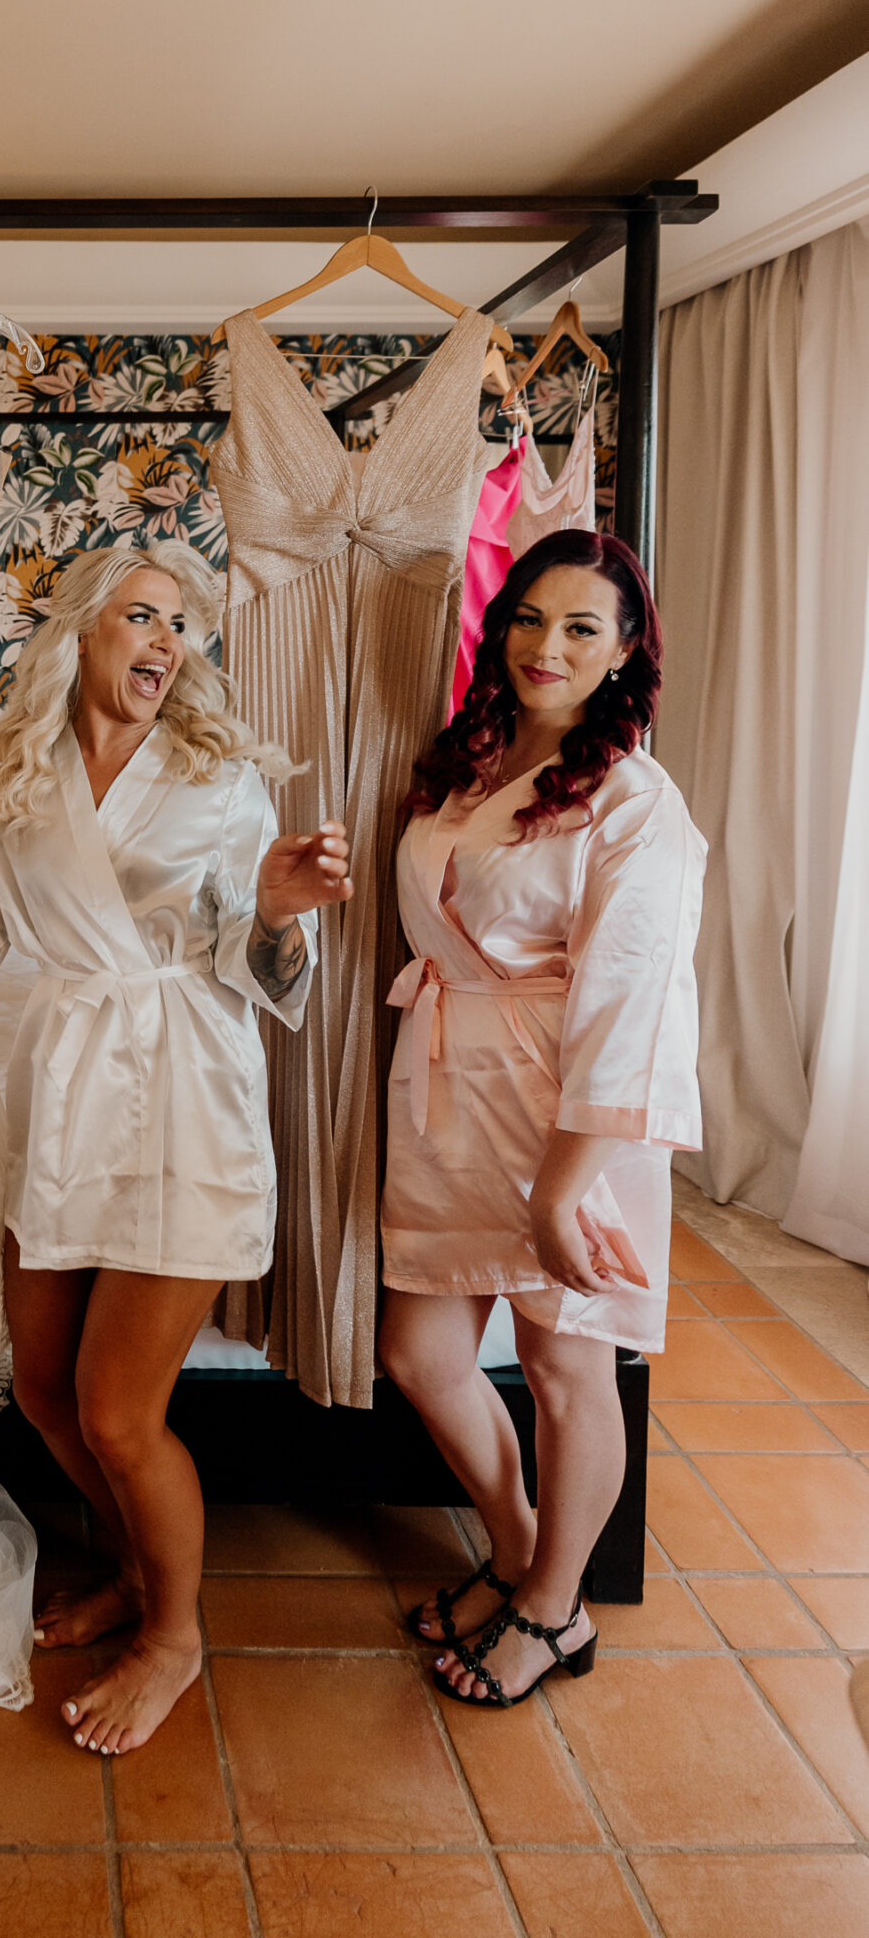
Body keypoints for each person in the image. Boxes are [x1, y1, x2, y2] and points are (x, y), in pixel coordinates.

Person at [0, 542, 351, 1756]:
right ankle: (130, 1565)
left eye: (182, 622)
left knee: (120, 1412)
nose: (169, 640)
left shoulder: (221, 776)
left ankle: (174, 1632)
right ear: (79, 633)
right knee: (45, 1389)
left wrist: (273, 907)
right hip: (62, 1101)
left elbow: (259, 965)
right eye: (142, 615)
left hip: (183, 1098)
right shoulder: (13, 777)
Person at [377, 530, 704, 1709]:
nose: (547, 645)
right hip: (449, 1088)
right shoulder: (472, 764)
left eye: (580, 627)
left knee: (571, 1370)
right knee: (417, 1351)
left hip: (568, 1117)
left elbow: (632, 997)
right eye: (529, 617)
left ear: (625, 653)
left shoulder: (635, 800)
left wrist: (568, 1182)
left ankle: (556, 1609)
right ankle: (518, 1550)